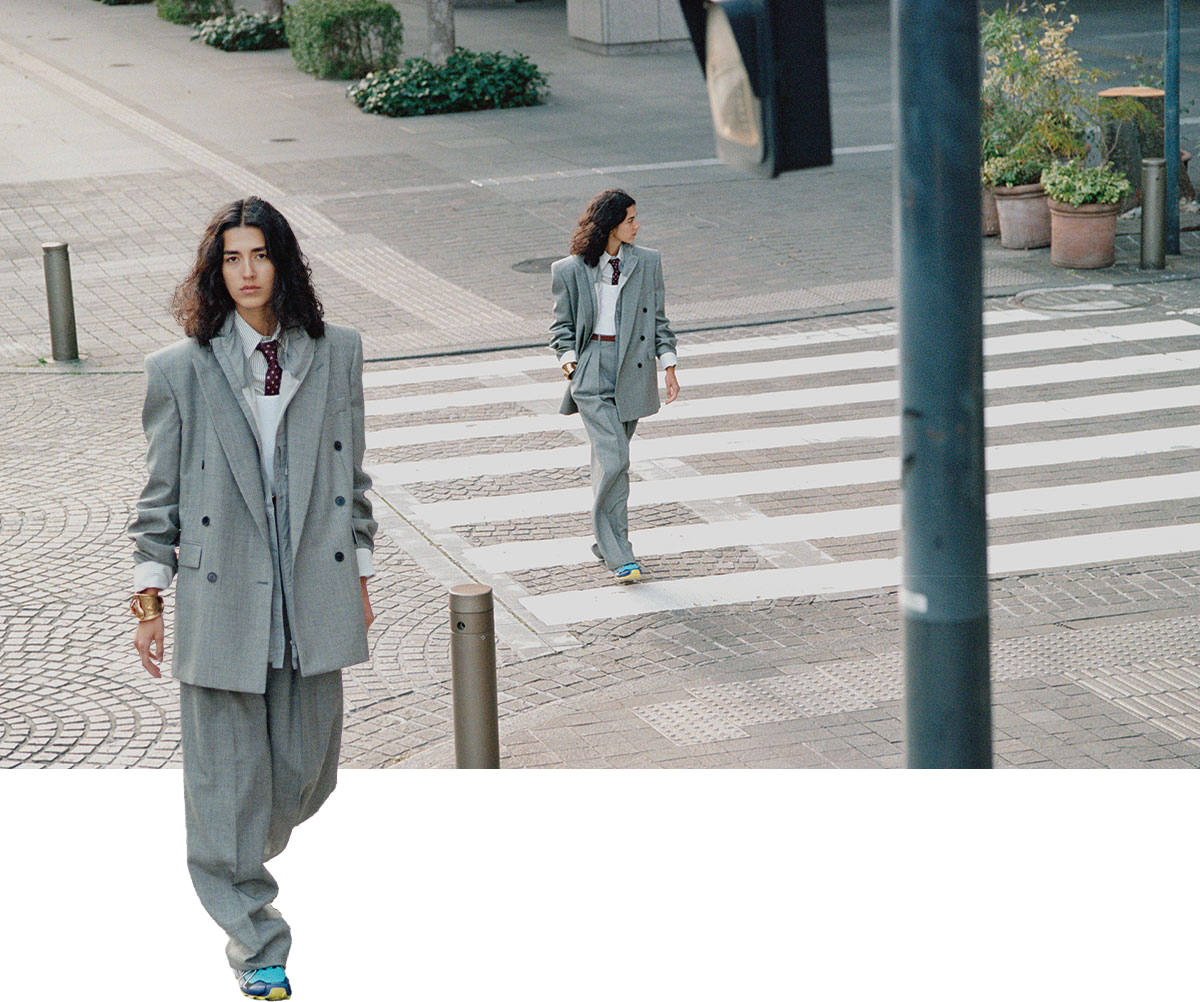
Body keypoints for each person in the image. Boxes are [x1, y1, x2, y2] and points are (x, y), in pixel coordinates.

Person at [128, 196, 377, 1002]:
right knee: (225, 786)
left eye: (260, 255)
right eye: (232, 258)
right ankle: (255, 936)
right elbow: (159, 497)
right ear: (215, 271)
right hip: (221, 596)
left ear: (283, 264)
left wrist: (360, 577)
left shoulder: (337, 353)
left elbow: (352, 479)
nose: (247, 272)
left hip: (310, 592)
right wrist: (149, 599)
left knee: (308, 774)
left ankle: (236, 848)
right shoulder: (179, 370)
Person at [549, 189, 679, 583]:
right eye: (630, 220)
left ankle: (606, 543)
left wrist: (669, 365)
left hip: (632, 370)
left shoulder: (647, 262)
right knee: (616, 459)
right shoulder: (569, 269)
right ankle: (621, 556)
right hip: (591, 368)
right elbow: (561, 326)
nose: (637, 226)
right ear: (610, 226)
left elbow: (658, 320)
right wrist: (570, 364)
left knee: (612, 466)